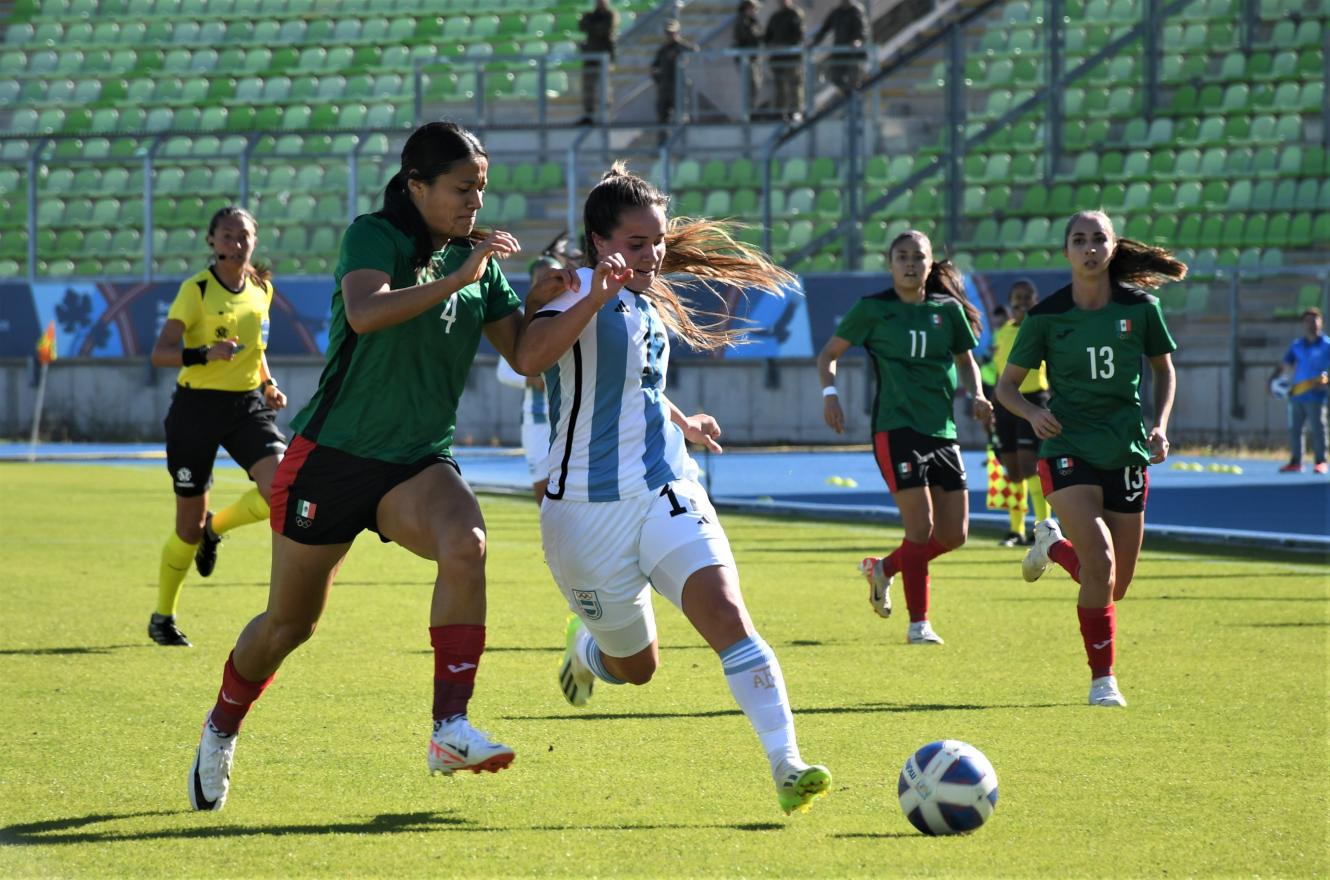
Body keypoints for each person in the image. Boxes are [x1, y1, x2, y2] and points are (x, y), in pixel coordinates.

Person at [188, 122, 549, 811]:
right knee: (289, 627)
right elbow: (364, 313)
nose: (475, 201)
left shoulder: (480, 262)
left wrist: (574, 298)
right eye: (460, 188)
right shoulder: (372, 235)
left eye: (481, 188)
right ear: (416, 186)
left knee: (466, 544)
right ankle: (220, 727)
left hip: (415, 462)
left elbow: (527, 357)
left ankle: (449, 727)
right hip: (333, 459)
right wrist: (460, 278)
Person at [511, 164, 832, 816]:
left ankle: (786, 764)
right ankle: (586, 650)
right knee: (638, 668)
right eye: (637, 242)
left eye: (657, 240)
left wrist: (683, 421)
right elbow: (530, 359)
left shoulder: (648, 296)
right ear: (599, 242)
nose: (654, 253)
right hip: (582, 516)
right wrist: (593, 295)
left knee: (727, 613)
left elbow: (637, 388)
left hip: (666, 488)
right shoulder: (568, 288)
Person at [997, 210, 1184, 709]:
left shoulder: (1141, 308)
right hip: (1067, 450)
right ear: (1067, 252)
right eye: (1079, 240)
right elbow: (1007, 387)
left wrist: (1161, 425)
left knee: (1115, 585)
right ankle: (1103, 681)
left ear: (1113, 246)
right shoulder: (1047, 316)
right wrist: (1033, 416)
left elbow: (1164, 372)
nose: (1089, 247)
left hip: (1125, 451)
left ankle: (1053, 546)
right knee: (1099, 562)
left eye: (1098, 238)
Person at [817, 231, 991, 646]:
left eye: (919, 257)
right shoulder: (873, 309)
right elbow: (829, 355)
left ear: (931, 265)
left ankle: (883, 569)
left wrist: (979, 395)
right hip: (896, 430)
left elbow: (966, 360)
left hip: (942, 431)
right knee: (921, 528)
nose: (911, 264)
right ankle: (919, 624)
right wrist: (830, 395)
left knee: (954, 536)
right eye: (902, 257)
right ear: (890, 263)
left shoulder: (947, 311)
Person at [147, 205, 288, 648]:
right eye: (227, 235)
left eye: (244, 235)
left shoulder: (262, 289)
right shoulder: (197, 290)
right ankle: (163, 617)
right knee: (186, 528)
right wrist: (204, 354)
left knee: (282, 486)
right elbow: (161, 352)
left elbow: (256, 348)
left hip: (246, 406)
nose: (237, 242)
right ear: (212, 242)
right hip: (196, 409)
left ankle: (217, 527)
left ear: (255, 240)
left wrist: (268, 383)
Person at [496, 254, 561, 502]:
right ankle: (550, 540)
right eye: (541, 278)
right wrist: (531, 379)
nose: (549, 283)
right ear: (533, 283)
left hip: (572, 417)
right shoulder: (525, 320)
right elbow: (504, 372)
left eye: (555, 276)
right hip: (537, 420)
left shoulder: (576, 312)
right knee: (542, 490)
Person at [990, 280, 1051, 546]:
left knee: (1030, 466)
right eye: (1018, 297)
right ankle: (1016, 531)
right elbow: (998, 370)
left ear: (1035, 301)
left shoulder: (1041, 328)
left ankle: (1044, 530)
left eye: (1027, 297)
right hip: (1004, 403)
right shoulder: (1002, 333)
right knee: (1012, 470)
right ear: (1011, 302)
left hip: (1032, 401)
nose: (1022, 302)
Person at [1270, 307, 1329, 474]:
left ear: (1321, 322)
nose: (1312, 324)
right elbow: (1285, 364)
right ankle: (1296, 461)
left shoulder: (1327, 345)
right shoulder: (1297, 345)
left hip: (1316, 395)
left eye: (1315, 320)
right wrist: (1272, 381)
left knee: (1318, 429)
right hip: (1297, 394)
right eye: (1308, 321)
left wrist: (1326, 381)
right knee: (1295, 429)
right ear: (1304, 324)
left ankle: (1320, 461)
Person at [809, 0, 868, 97]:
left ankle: (854, 99)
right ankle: (849, 95)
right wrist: (814, 43)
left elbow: (862, 31)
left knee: (854, 80)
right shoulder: (836, 13)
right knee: (835, 77)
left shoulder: (856, 11)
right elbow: (824, 29)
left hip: (854, 54)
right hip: (839, 54)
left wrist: (858, 41)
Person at [577, 0, 619, 125]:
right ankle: (588, 114)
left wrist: (592, 27)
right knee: (588, 87)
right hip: (590, 56)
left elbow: (604, 29)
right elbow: (581, 25)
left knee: (604, 87)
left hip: (604, 57)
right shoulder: (591, 15)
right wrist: (594, 26)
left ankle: (606, 114)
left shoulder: (610, 14)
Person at [764, 0, 805, 121]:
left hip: (792, 58)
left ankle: (795, 111)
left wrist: (786, 46)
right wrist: (772, 45)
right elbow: (768, 36)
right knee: (779, 86)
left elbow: (799, 35)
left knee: (794, 85)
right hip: (778, 58)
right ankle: (779, 112)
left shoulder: (795, 14)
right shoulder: (775, 17)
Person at [651, 20, 698, 129]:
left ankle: (683, 142)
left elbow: (696, 53)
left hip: (678, 87)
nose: (670, 36)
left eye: (672, 33)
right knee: (662, 117)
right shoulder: (663, 50)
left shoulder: (682, 47)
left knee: (681, 117)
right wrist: (658, 80)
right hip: (664, 87)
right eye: (668, 33)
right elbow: (654, 67)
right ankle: (663, 142)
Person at [733, 0, 764, 118]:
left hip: (753, 58)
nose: (755, 11)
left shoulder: (751, 21)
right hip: (746, 59)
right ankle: (749, 113)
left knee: (754, 87)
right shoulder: (742, 21)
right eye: (753, 8)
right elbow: (749, 37)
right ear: (747, 8)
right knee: (751, 87)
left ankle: (751, 111)